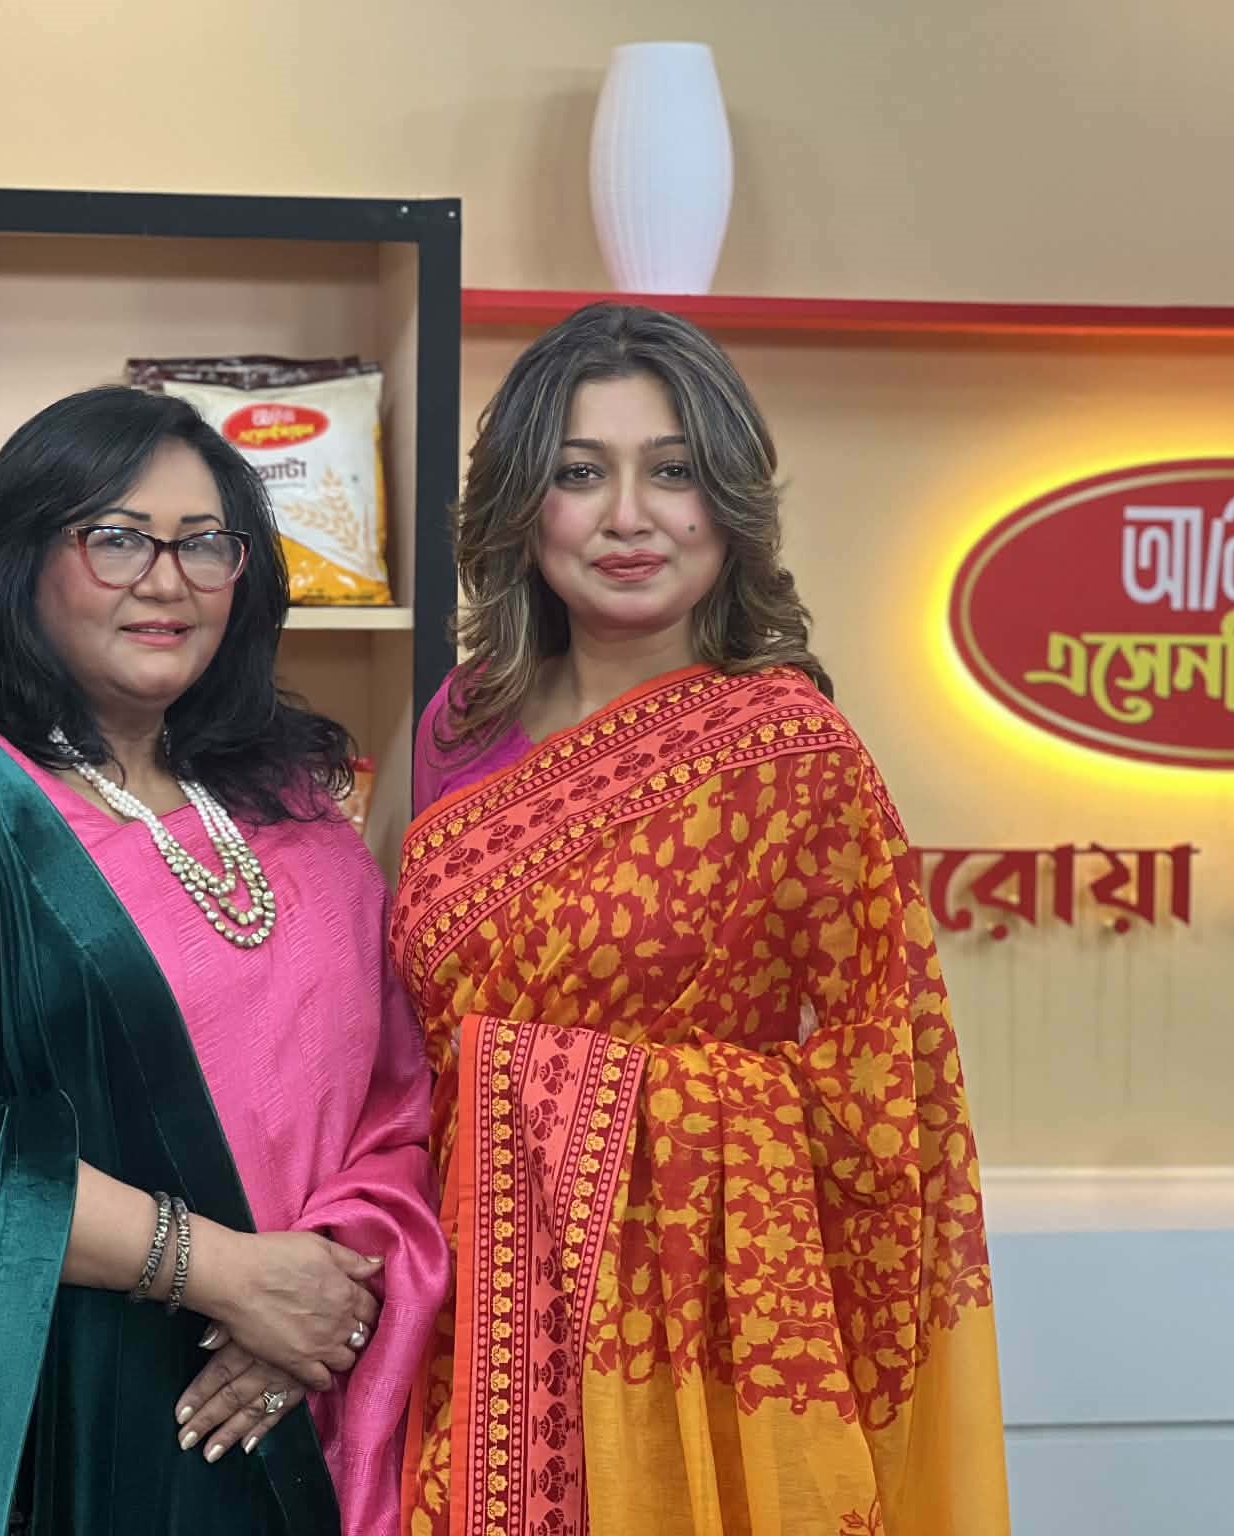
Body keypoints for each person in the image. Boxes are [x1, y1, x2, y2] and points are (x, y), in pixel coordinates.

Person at [0, 386, 448, 1536]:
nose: (167, 580)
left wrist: (322, 1289)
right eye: (119, 538)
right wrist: (226, 1276)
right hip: (79, 1411)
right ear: (22, 562)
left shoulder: (292, 805)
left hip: (322, 1391)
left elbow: (396, 1092)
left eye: (205, 543)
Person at [393, 304, 1009, 1536]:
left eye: (671, 472)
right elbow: (387, 1033)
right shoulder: (458, 724)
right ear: (521, 507)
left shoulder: (790, 753)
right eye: (580, 474)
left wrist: (589, 1108)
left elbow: (883, 1092)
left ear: (726, 503)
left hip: (681, 1367)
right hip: (444, 1308)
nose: (628, 516)